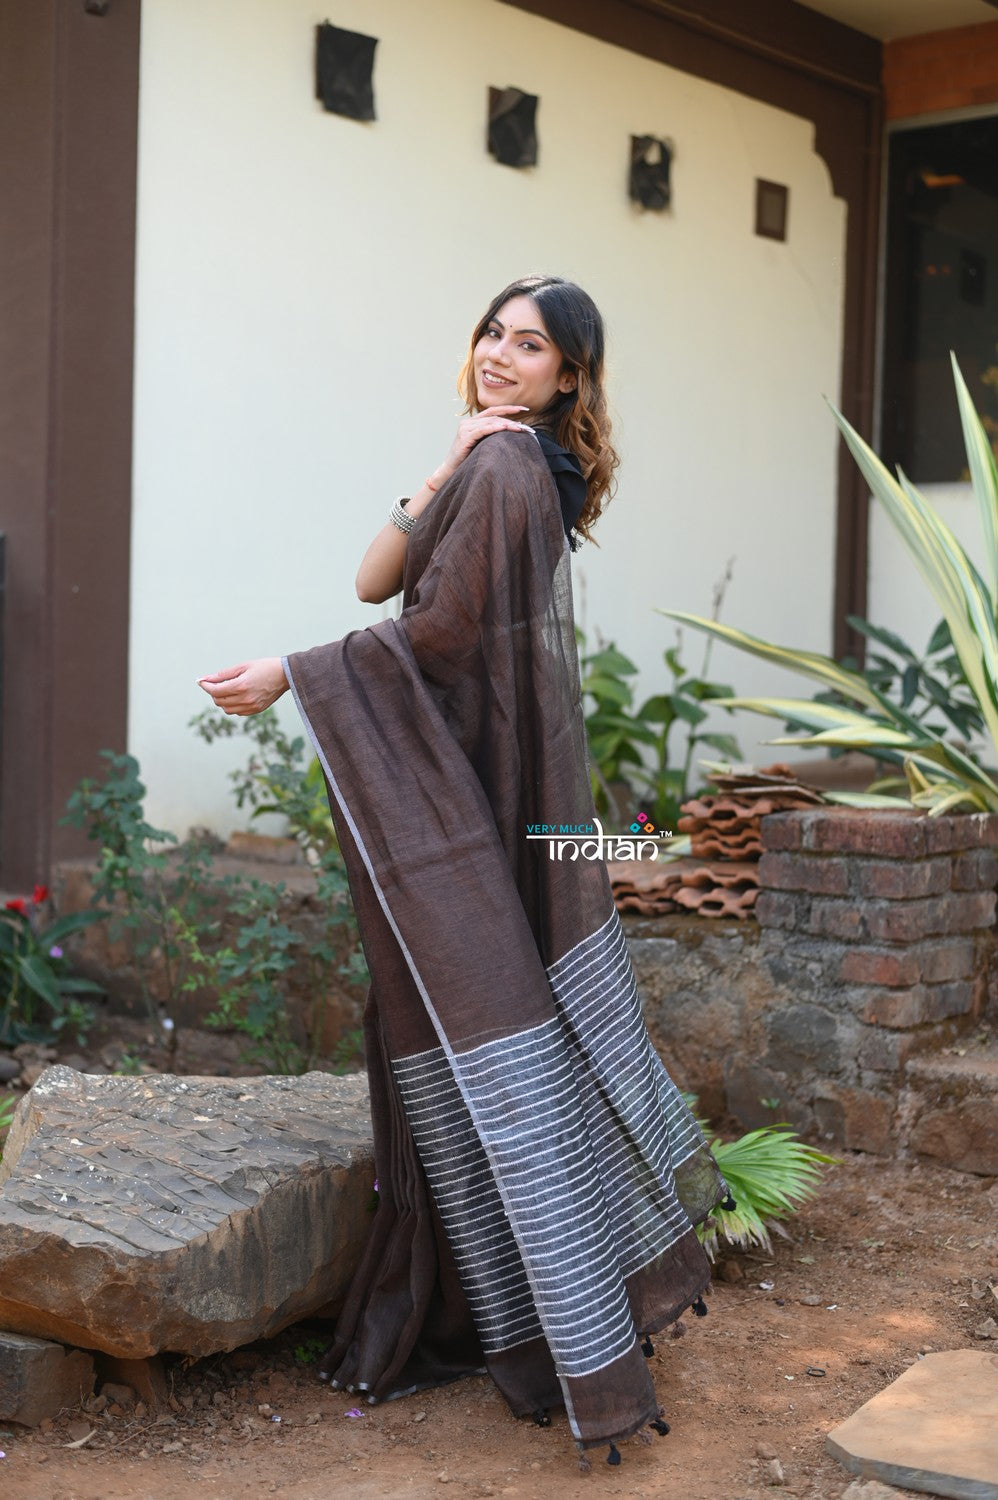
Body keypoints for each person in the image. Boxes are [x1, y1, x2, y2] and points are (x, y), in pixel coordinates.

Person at [198, 274, 727, 1469]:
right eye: (491, 332)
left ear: (568, 374)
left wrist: (292, 673)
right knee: (511, 1034)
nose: (498, 353)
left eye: (528, 345)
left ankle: (563, 1340)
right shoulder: (499, 464)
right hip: (487, 782)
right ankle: (566, 1312)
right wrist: (440, 464)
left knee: (483, 1034)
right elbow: (372, 580)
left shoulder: (509, 469)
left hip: (468, 796)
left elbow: (433, 635)